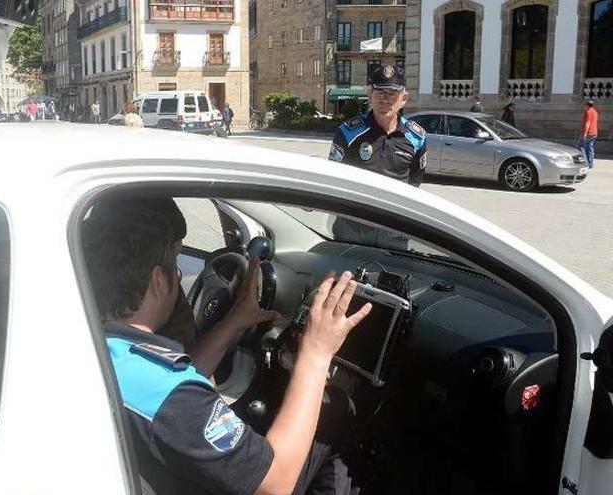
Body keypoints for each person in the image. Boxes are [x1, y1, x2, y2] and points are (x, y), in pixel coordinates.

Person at [82, 198, 370, 495]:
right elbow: (275, 483)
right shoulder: (171, 401)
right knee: (333, 409)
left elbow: (164, 382)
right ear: (158, 280)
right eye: (174, 264)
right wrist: (316, 354)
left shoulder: (99, 346)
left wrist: (233, 323)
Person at [327, 64, 426, 250]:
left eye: (392, 94)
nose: (385, 100)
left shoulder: (417, 138)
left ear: (403, 99)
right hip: (352, 226)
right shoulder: (348, 132)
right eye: (380, 93)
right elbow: (333, 176)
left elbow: (414, 183)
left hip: (394, 229)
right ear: (369, 95)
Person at [579, 100, 600, 169]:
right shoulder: (595, 112)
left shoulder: (588, 111)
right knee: (590, 148)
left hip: (588, 133)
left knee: (580, 147)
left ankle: (584, 162)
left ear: (587, 105)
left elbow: (587, 123)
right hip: (594, 132)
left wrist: (585, 133)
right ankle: (590, 163)